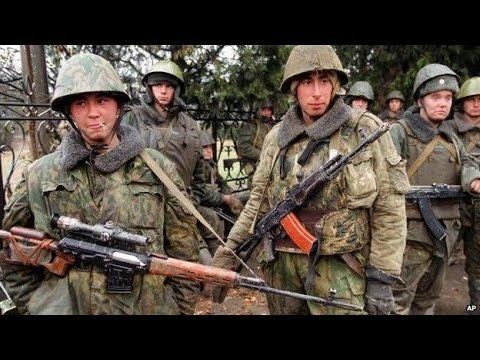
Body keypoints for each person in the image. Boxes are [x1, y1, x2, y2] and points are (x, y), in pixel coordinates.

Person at [209, 45, 409, 315]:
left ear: (335, 85)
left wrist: (382, 277)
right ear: (294, 88)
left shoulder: (365, 130)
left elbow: (389, 206)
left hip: (342, 270)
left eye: (324, 81)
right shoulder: (276, 138)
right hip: (281, 269)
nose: (317, 92)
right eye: (306, 82)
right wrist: (228, 253)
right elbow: (257, 204)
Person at [0, 53, 201, 315]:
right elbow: (10, 248)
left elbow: (184, 249)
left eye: (102, 101)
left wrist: (176, 308)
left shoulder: (158, 169)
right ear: (69, 111)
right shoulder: (40, 174)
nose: (93, 113)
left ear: (118, 106)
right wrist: (35, 304)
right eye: (81, 103)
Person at [123, 60, 241, 265]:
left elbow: (198, 178)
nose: (163, 91)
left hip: (180, 208)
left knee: (188, 271)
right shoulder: (132, 119)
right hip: (141, 208)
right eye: (158, 85)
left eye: (169, 86)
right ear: (149, 88)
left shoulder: (190, 126)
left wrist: (189, 204)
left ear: (176, 90)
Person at [390, 64, 480, 315]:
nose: (443, 103)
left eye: (448, 98)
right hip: (410, 234)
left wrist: (473, 180)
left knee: (428, 299)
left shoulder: (450, 135)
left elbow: (468, 162)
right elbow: (384, 177)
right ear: (420, 99)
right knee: (398, 300)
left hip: (445, 234)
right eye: (435, 97)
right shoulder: (401, 131)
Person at [447, 76, 480, 311]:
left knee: (477, 264)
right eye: (471, 100)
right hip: (451, 204)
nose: (477, 105)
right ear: (461, 103)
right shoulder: (448, 128)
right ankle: (424, 303)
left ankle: (474, 307)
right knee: (438, 257)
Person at [197, 130, 242, 256]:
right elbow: (201, 193)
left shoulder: (211, 164)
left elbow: (222, 182)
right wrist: (224, 198)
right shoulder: (196, 165)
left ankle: (232, 245)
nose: (209, 150)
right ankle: (217, 254)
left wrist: (229, 197)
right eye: (204, 147)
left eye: (210, 147)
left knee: (234, 208)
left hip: (213, 200)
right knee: (212, 217)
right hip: (200, 203)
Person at [236, 100, 276, 190]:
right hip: (256, 168)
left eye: (268, 110)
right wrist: (263, 156)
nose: (266, 113)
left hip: (273, 168)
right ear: (258, 111)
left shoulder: (273, 126)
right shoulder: (251, 126)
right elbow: (243, 147)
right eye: (263, 110)